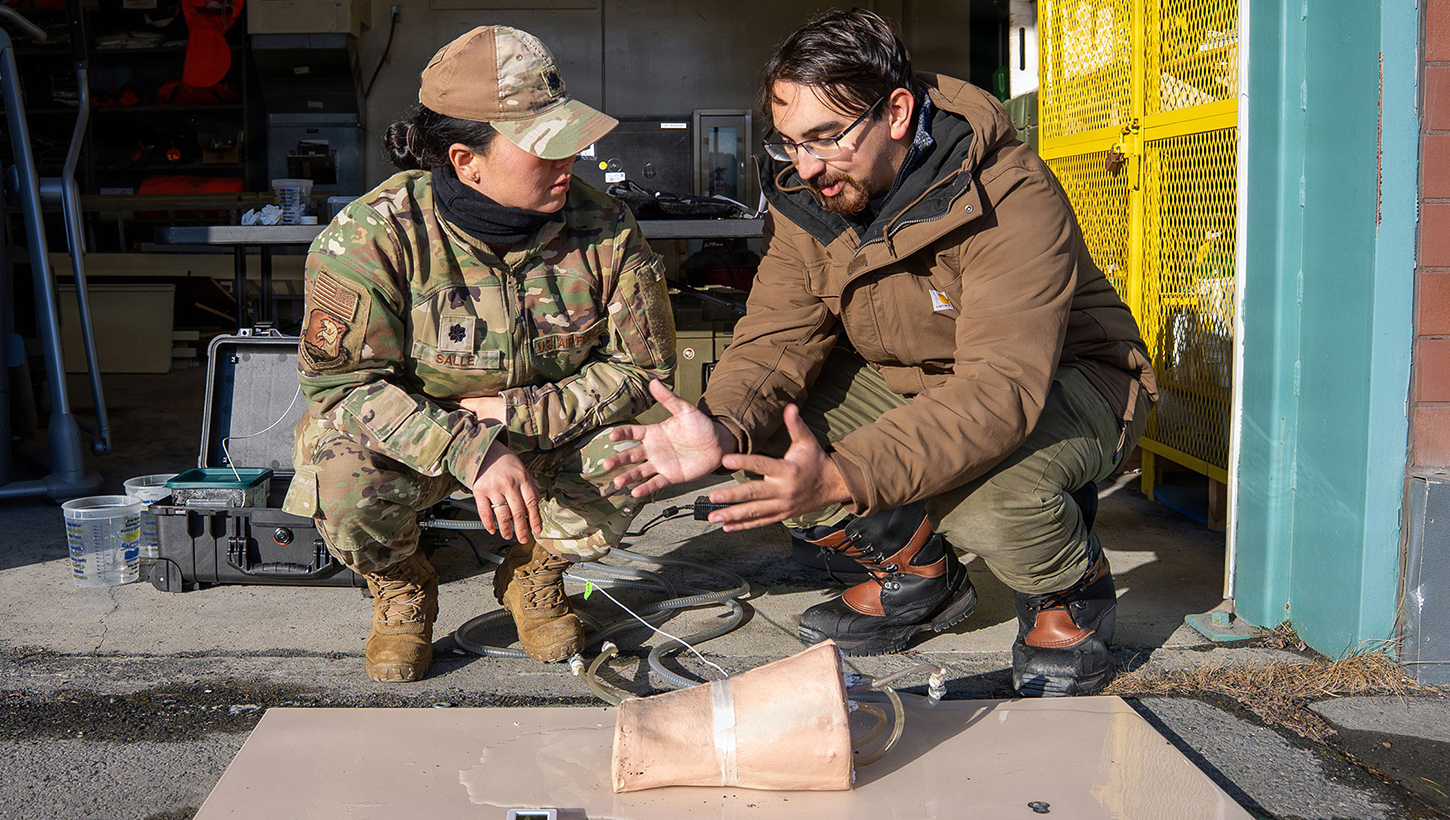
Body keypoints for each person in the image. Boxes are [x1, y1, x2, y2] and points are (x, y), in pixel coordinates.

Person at [604, 8, 1156, 697]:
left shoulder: (1009, 194)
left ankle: (1068, 589)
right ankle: (918, 575)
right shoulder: (811, 201)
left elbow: (996, 394)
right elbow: (778, 336)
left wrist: (847, 476)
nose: (806, 166)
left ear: (897, 112)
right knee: (764, 435)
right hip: (920, 379)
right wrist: (718, 425)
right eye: (789, 144)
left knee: (985, 496)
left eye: (826, 138)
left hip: (1065, 381)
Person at [282, 25, 676, 682]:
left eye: (569, 139)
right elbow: (344, 389)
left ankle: (535, 576)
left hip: (542, 430)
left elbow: (646, 372)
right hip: (417, 440)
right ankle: (404, 589)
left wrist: (515, 416)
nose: (570, 160)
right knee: (339, 462)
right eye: (543, 148)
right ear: (465, 160)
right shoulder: (372, 235)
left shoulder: (604, 227)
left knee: (645, 445)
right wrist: (469, 446)